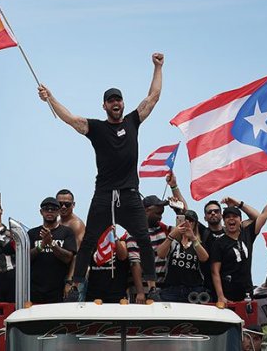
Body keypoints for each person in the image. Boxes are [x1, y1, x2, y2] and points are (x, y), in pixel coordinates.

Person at [38, 52, 165, 302]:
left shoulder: (132, 121)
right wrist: (50, 98)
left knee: (142, 237)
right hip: (105, 194)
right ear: (104, 106)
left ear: (123, 104)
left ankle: (152, 287)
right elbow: (71, 119)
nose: (115, 103)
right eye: (111, 101)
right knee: (88, 242)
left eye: (118, 100)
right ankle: (76, 286)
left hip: (129, 193)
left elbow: (153, 98)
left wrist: (158, 67)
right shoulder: (96, 127)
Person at [211, 182, 267, 304]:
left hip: (246, 292)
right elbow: (215, 271)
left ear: (240, 220)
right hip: (227, 294)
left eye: (234, 216)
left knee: (246, 322)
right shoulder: (219, 243)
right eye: (227, 217)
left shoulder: (247, 234)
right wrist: (220, 296)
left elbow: (264, 215)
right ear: (224, 222)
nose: (231, 219)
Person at [28, 197, 77, 303]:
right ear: (41, 212)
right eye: (46, 209)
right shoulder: (32, 233)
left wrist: (51, 243)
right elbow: (25, 259)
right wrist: (41, 245)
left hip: (59, 289)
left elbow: (68, 258)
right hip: (35, 290)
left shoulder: (67, 232)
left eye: (53, 209)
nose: (50, 212)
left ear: (59, 212)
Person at [156, 210, 209, 302]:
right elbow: (160, 254)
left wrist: (193, 238)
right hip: (172, 289)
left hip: (193, 290)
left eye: (190, 221)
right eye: (184, 219)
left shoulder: (198, 243)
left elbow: (204, 258)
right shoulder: (173, 242)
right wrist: (172, 235)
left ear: (195, 225)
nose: (187, 223)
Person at [126, 195, 170, 303]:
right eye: (158, 214)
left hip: (162, 290)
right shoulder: (133, 232)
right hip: (141, 291)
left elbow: (184, 228)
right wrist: (140, 292)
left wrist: (177, 209)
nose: (160, 217)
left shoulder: (163, 229)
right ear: (146, 211)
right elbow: (135, 263)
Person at [85, 225, 130, 303]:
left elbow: (123, 256)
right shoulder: (92, 244)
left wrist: (114, 237)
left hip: (116, 295)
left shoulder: (121, 242)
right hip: (94, 295)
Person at [56, 189, 87, 299]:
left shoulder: (76, 224)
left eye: (67, 204)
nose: (63, 207)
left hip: (74, 278)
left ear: (73, 205)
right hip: (61, 273)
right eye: (60, 204)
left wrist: (71, 281)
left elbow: (78, 254)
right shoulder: (57, 223)